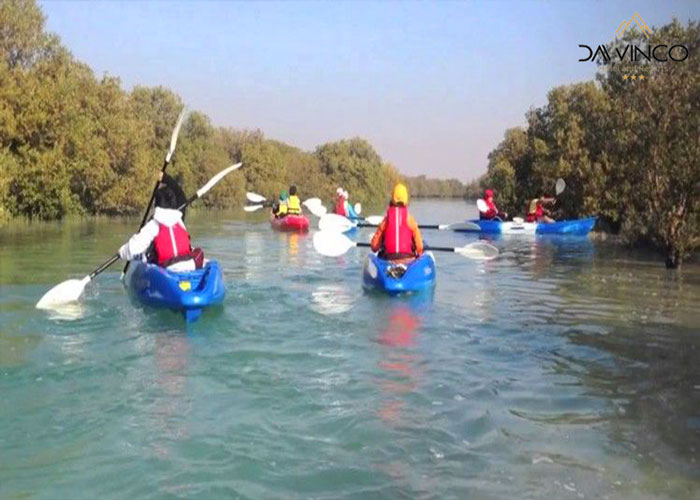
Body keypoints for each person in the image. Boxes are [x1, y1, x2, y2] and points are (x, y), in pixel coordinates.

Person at [118, 172, 203, 271]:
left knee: (150, 253)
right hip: (190, 264)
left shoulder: (153, 225)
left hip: (169, 268)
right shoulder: (179, 221)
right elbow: (181, 195)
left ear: (156, 205)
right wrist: (166, 178)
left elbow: (131, 249)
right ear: (174, 204)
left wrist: (121, 252)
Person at [370, 183, 424, 262]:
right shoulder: (410, 219)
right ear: (406, 200)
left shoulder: (386, 220)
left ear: (392, 199)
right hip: (408, 260)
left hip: (389, 260)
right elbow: (419, 247)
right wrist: (419, 254)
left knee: (381, 253)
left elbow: (374, 247)